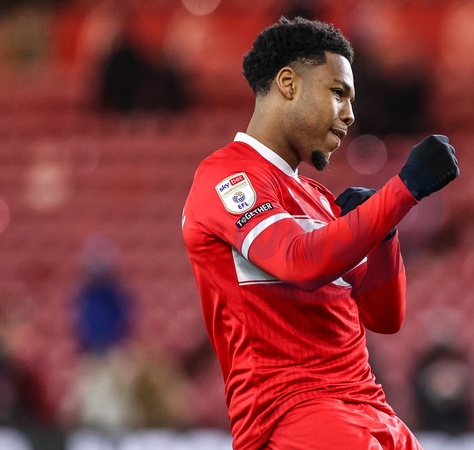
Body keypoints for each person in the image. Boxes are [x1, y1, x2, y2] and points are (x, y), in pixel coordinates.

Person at [181, 17, 459, 450]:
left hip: (370, 410)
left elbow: (384, 317)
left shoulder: (317, 199)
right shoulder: (228, 177)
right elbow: (300, 261)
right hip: (294, 416)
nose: (350, 114)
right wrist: (405, 190)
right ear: (288, 84)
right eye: (337, 93)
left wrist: (383, 233)